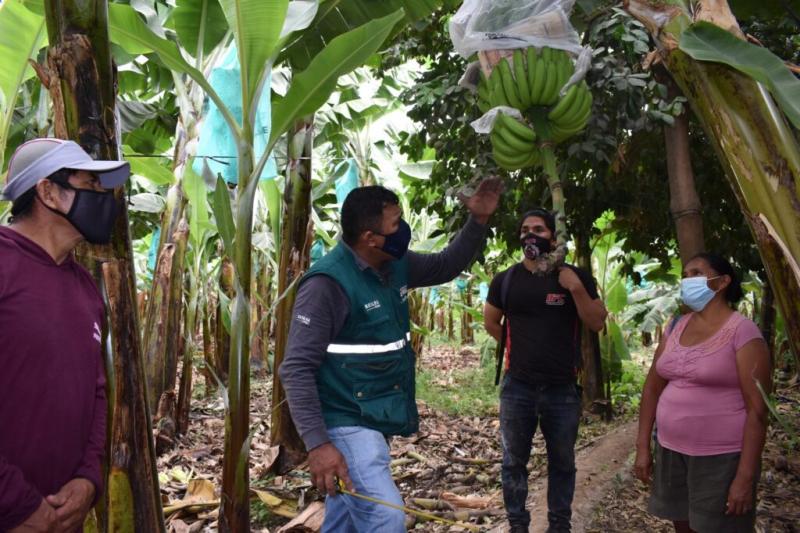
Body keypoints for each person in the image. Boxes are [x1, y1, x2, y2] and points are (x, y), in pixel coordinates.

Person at [279, 179, 502, 532]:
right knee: (384, 515)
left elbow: (445, 265)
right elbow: (295, 368)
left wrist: (478, 221)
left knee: (347, 515)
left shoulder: (392, 262)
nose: (404, 230)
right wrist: (318, 445)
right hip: (347, 418)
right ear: (370, 237)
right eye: (396, 223)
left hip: (375, 410)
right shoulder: (327, 284)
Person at [0, 138, 129, 532]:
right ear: (49, 191)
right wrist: (16, 503)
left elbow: (96, 391)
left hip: (61, 512)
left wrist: (88, 478)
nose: (105, 199)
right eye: (91, 185)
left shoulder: (85, 287)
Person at [484, 208, 607, 533]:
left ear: (553, 236)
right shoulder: (506, 280)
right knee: (513, 463)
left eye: (538, 228)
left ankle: (559, 526)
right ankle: (517, 525)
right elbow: (490, 321)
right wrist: (520, 348)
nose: (530, 234)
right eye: (525, 229)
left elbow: (596, 322)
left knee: (563, 463)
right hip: (518, 387)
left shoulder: (574, 276)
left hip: (562, 389)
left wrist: (576, 288)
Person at [634, 253, 770, 533]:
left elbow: (757, 411)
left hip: (721, 459)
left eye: (696, 273)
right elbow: (651, 389)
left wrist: (744, 477)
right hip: (672, 451)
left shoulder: (743, 332)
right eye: (685, 274)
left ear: (721, 282)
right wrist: (642, 447)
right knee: (682, 525)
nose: (687, 280)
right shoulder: (676, 326)